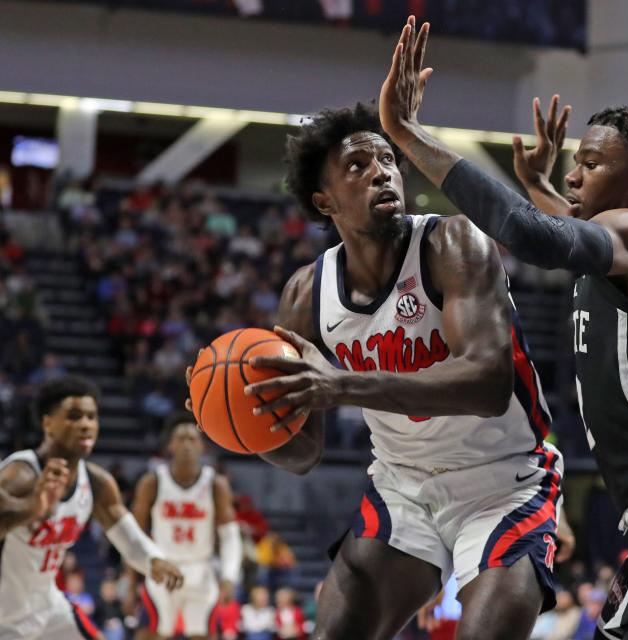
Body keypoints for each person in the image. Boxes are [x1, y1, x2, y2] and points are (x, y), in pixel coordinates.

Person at [374, 16, 628, 640]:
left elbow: (535, 234)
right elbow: (561, 221)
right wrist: (536, 183)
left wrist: (407, 133)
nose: (573, 175)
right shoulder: (616, 243)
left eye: (590, 164)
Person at [193, 99, 571, 640]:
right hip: (403, 488)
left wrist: (341, 385)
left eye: (387, 160)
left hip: (504, 482)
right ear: (325, 201)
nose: (381, 171)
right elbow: (304, 452)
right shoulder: (306, 295)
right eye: (358, 166)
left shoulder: (453, 242)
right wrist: (232, 422)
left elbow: (488, 384)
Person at [0, 376, 183, 640]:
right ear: (47, 423)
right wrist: (32, 509)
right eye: (74, 416)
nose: (85, 425)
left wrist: (154, 559)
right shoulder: (21, 473)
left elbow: (126, 534)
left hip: (48, 607)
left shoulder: (96, 483)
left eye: (91, 417)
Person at [131, 412, 242, 640]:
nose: (187, 445)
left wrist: (229, 576)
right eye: (181, 439)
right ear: (170, 445)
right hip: (162, 567)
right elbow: (134, 533)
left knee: (203, 634)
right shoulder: (152, 482)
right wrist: (130, 579)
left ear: (202, 446)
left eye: (192, 439)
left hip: (200, 569)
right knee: (151, 633)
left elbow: (230, 536)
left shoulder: (215, 484)